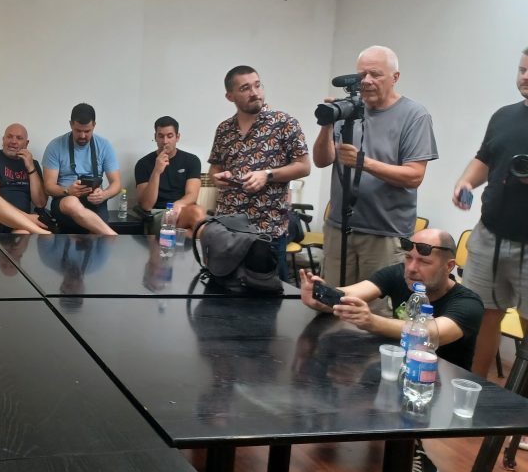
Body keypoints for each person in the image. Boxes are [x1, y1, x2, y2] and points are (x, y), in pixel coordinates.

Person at [298, 228, 484, 472]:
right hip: (396, 366)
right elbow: (346, 296)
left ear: (449, 266)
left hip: (438, 385)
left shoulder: (468, 303)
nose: (412, 268)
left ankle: (415, 450)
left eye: (424, 262)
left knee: (400, 371)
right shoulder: (399, 274)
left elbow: (434, 332)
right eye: (408, 258)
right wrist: (317, 297)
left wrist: (372, 321)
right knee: (334, 344)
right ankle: (327, 416)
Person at [313, 46, 437, 297]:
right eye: (361, 75)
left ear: (395, 77)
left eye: (375, 74)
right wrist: (327, 125)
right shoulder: (347, 110)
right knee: (334, 301)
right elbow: (321, 160)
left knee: (377, 306)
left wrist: (363, 162)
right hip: (340, 227)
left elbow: (414, 176)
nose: (366, 81)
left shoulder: (414, 115)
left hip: (384, 234)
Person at [453, 47, 528, 381]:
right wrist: (466, 181)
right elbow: (485, 158)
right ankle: (474, 391)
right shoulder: (503, 116)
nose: (525, 77)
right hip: (490, 235)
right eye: (522, 69)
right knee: (481, 316)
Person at [208, 65, 310, 281]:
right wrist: (219, 178)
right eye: (245, 88)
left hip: (267, 231)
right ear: (230, 96)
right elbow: (214, 168)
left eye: (257, 85)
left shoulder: (284, 123)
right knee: (222, 294)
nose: (255, 92)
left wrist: (268, 175)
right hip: (228, 229)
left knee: (268, 297)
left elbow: (304, 166)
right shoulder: (224, 129)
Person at [42, 103, 119, 235]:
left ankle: (106, 236)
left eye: (87, 131)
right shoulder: (55, 146)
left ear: (94, 125)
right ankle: (113, 236)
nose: (82, 135)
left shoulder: (104, 145)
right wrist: (68, 190)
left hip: (95, 201)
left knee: (96, 237)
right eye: (78, 131)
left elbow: (116, 183)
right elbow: (48, 187)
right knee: (72, 203)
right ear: (71, 124)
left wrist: (104, 195)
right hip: (65, 200)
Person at [0, 123, 51, 235]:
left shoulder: (32, 164)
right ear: (3, 140)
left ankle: (37, 231)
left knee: (23, 234)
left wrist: (31, 168)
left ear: (26, 144)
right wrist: (27, 218)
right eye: (9, 137)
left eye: (19, 138)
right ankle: (44, 233)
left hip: (19, 226)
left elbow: (40, 203)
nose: (13, 141)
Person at [134, 115, 201, 233]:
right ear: (155, 137)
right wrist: (156, 171)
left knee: (197, 217)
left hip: (183, 209)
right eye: (161, 136)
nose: (165, 141)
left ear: (177, 137)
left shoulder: (192, 160)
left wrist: (177, 205)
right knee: (197, 221)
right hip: (158, 214)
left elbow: (192, 195)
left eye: (170, 136)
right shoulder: (143, 164)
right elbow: (146, 205)